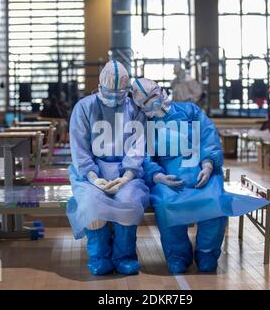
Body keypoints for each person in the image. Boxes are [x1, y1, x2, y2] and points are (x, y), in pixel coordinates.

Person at [132, 77, 228, 274]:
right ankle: (178, 255)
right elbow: (144, 155)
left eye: (154, 96)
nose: (153, 102)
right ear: (140, 106)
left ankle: (207, 253)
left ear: (161, 91)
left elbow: (208, 134)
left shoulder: (189, 111)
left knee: (215, 201)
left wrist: (208, 164)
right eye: (146, 101)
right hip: (168, 176)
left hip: (202, 169)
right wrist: (156, 176)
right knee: (167, 205)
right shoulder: (144, 125)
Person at [67, 60, 149, 276]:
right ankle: (99, 256)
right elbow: (79, 148)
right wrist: (94, 178)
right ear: (99, 86)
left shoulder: (134, 110)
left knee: (129, 203)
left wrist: (127, 175)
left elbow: (137, 146)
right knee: (92, 207)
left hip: (127, 174)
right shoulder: (84, 108)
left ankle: (124, 257)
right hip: (90, 174)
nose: (113, 98)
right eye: (108, 92)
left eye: (119, 93)